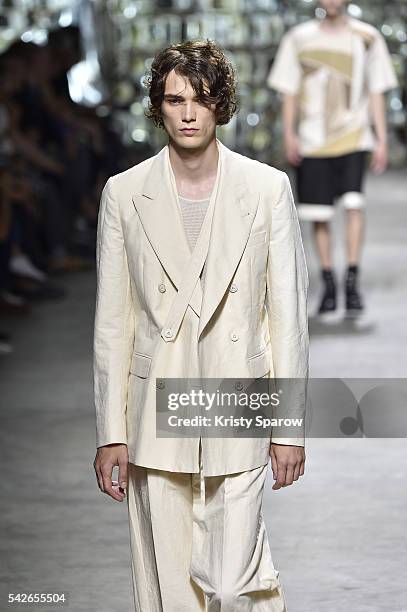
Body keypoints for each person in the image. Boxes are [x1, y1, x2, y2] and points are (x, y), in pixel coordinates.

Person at [93, 39, 309, 611]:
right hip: (154, 405)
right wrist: (111, 432)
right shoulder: (124, 193)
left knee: (233, 586)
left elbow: (286, 317)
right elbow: (114, 321)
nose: (188, 114)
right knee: (169, 589)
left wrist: (287, 427)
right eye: (174, 100)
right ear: (157, 107)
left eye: (201, 99)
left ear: (222, 105)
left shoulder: (267, 190)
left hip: (238, 394)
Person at [267, 0, 398, 317]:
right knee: (319, 213)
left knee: (355, 205)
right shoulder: (299, 38)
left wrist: (380, 139)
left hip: (354, 135)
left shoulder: (367, 37)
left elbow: (376, 90)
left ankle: (352, 282)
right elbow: (290, 91)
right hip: (313, 138)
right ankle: (328, 283)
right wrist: (290, 135)